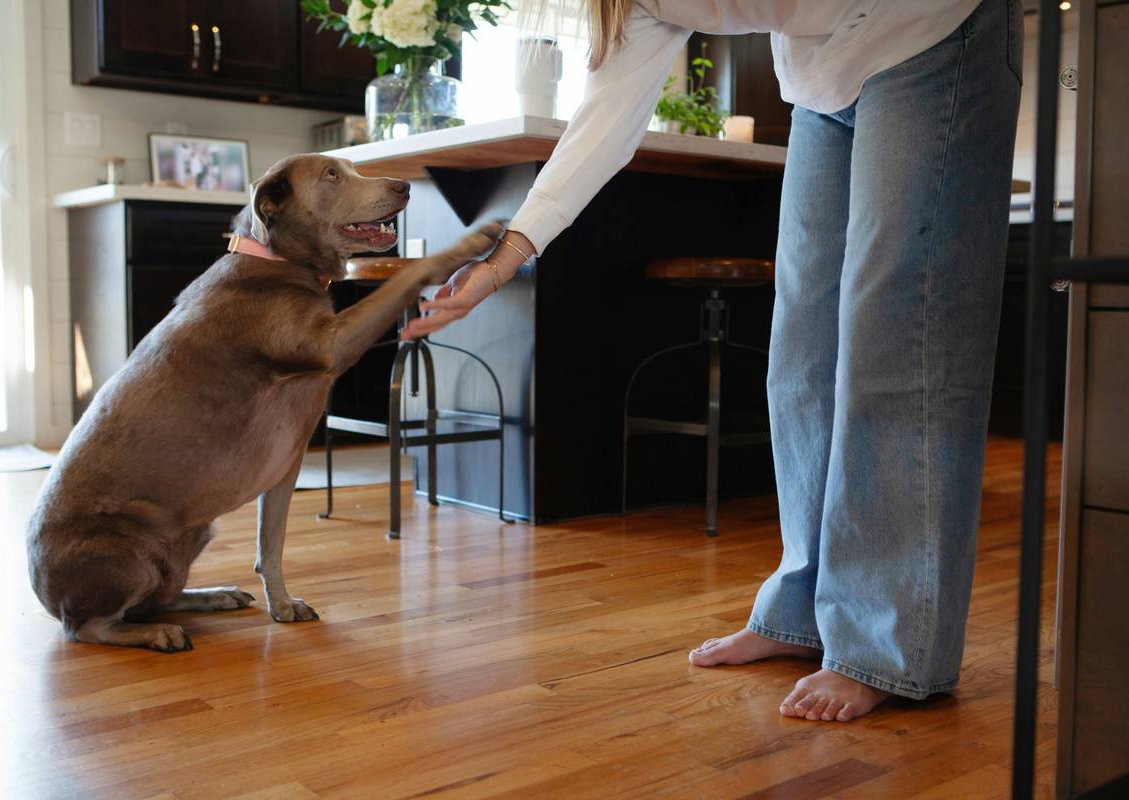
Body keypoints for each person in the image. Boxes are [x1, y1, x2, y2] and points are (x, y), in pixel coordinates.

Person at [403, 0, 1023, 722]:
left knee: (897, 334)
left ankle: (889, 642)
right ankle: (802, 610)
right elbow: (609, 115)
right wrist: (507, 255)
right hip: (822, 77)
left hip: (933, 29)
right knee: (803, 351)